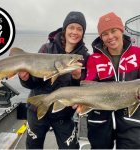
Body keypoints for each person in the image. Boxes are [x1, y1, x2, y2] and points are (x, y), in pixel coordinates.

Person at [18, 11, 90, 149]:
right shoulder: (47, 48)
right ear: (65, 29)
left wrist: (76, 77)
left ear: (83, 33)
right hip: (37, 108)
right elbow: (34, 83)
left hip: (64, 114)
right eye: (71, 27)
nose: (75, 32)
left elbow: (82, 91)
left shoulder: (84, 57)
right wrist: (26, 79)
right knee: (33, 146)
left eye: (79, 29)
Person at [79, 12, 140, 149]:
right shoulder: (94, 58)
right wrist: (81, 99)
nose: (110, 37)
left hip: (131, 121)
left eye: (114, 31)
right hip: (99, 120)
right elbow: (88, 82)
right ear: (101, 37)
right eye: (105, 34)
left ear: (121, 30)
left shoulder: (138, 54)